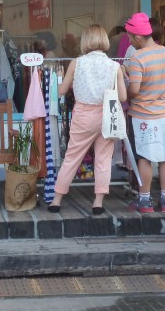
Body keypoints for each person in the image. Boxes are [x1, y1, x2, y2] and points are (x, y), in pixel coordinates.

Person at [48, 24, 127, 215]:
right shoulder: (115, 66)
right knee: (103, 160)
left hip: (83, 116)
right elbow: (123, 97)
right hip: (107, 115)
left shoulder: (77, 63)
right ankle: (98, 203)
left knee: (72, 158)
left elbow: (62, 91)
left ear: (85, 41)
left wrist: (57, 80)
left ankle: (56, 200)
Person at [124, 12, 165, 213]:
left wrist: (126, 89)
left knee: (144, 158)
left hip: (143, 115)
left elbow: (134, 89)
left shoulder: (138, 57)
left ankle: (145, 201)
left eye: (130, 37)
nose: (129, 41)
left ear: (138, 37)